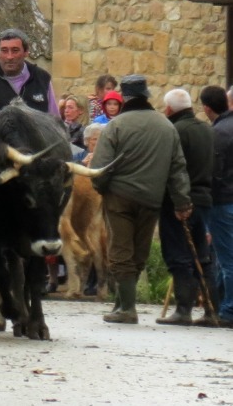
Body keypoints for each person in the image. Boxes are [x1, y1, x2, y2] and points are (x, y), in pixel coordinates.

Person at [88, 74, 192, 324]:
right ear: (146, 96)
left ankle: (127, 309)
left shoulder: (116, 126)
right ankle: (122, 303)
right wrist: (182, 201)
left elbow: (100, 167)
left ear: (124, 98)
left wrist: (102, 188)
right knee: (139, 252)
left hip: (120, 197)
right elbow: (177, 168)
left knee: (120, 251)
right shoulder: (166, 126)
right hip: (151, 199)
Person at [157, 88, 216, 325]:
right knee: (203, 256)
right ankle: (213, 309)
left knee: (178, 255)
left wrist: (179, 201)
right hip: (205, 200)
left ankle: (184, 309)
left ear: (169, 109)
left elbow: (174, 170)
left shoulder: (175, 131)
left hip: (179, 202)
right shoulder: (207, 129)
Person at [199, 85, 233, 326]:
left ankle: (228, 309)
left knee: (227, 258)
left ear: (207, 108)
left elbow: (216, 173)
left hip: (223, 201)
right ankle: (222, 304)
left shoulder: (218, 133)